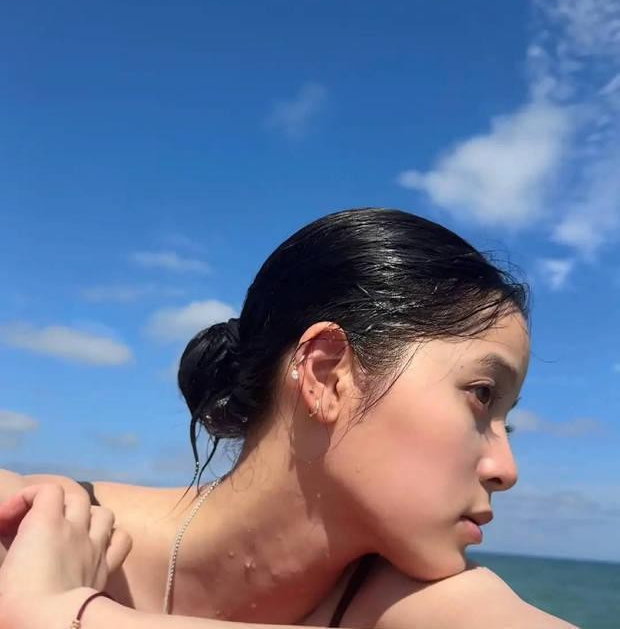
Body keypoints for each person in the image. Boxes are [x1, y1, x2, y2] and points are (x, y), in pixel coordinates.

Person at [0, 208, 578, 628]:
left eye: (506, 422)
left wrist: (68, 617)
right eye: (481, 395)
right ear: (327, 375)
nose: (505, 469)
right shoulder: (32, 526)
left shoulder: (418, 605)